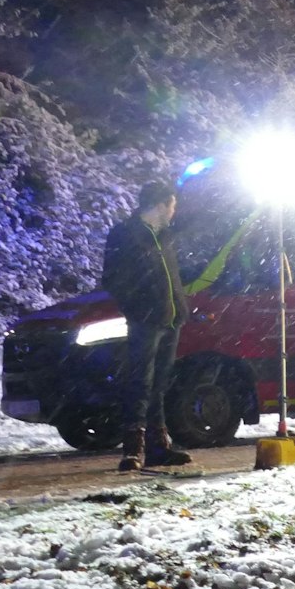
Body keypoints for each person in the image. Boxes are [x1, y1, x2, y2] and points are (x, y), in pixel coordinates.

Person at [101, 179, 193, 472]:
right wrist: (139, 307)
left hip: (170, 319)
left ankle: (158, 446)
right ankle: (133, 448)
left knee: (160, 383)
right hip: (146, 319)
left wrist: (178, 309)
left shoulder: (163, 236)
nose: (174, 212)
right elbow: (114, 278)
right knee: (140, 382)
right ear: (161, 204)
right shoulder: (126, 235)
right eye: (173, 205)